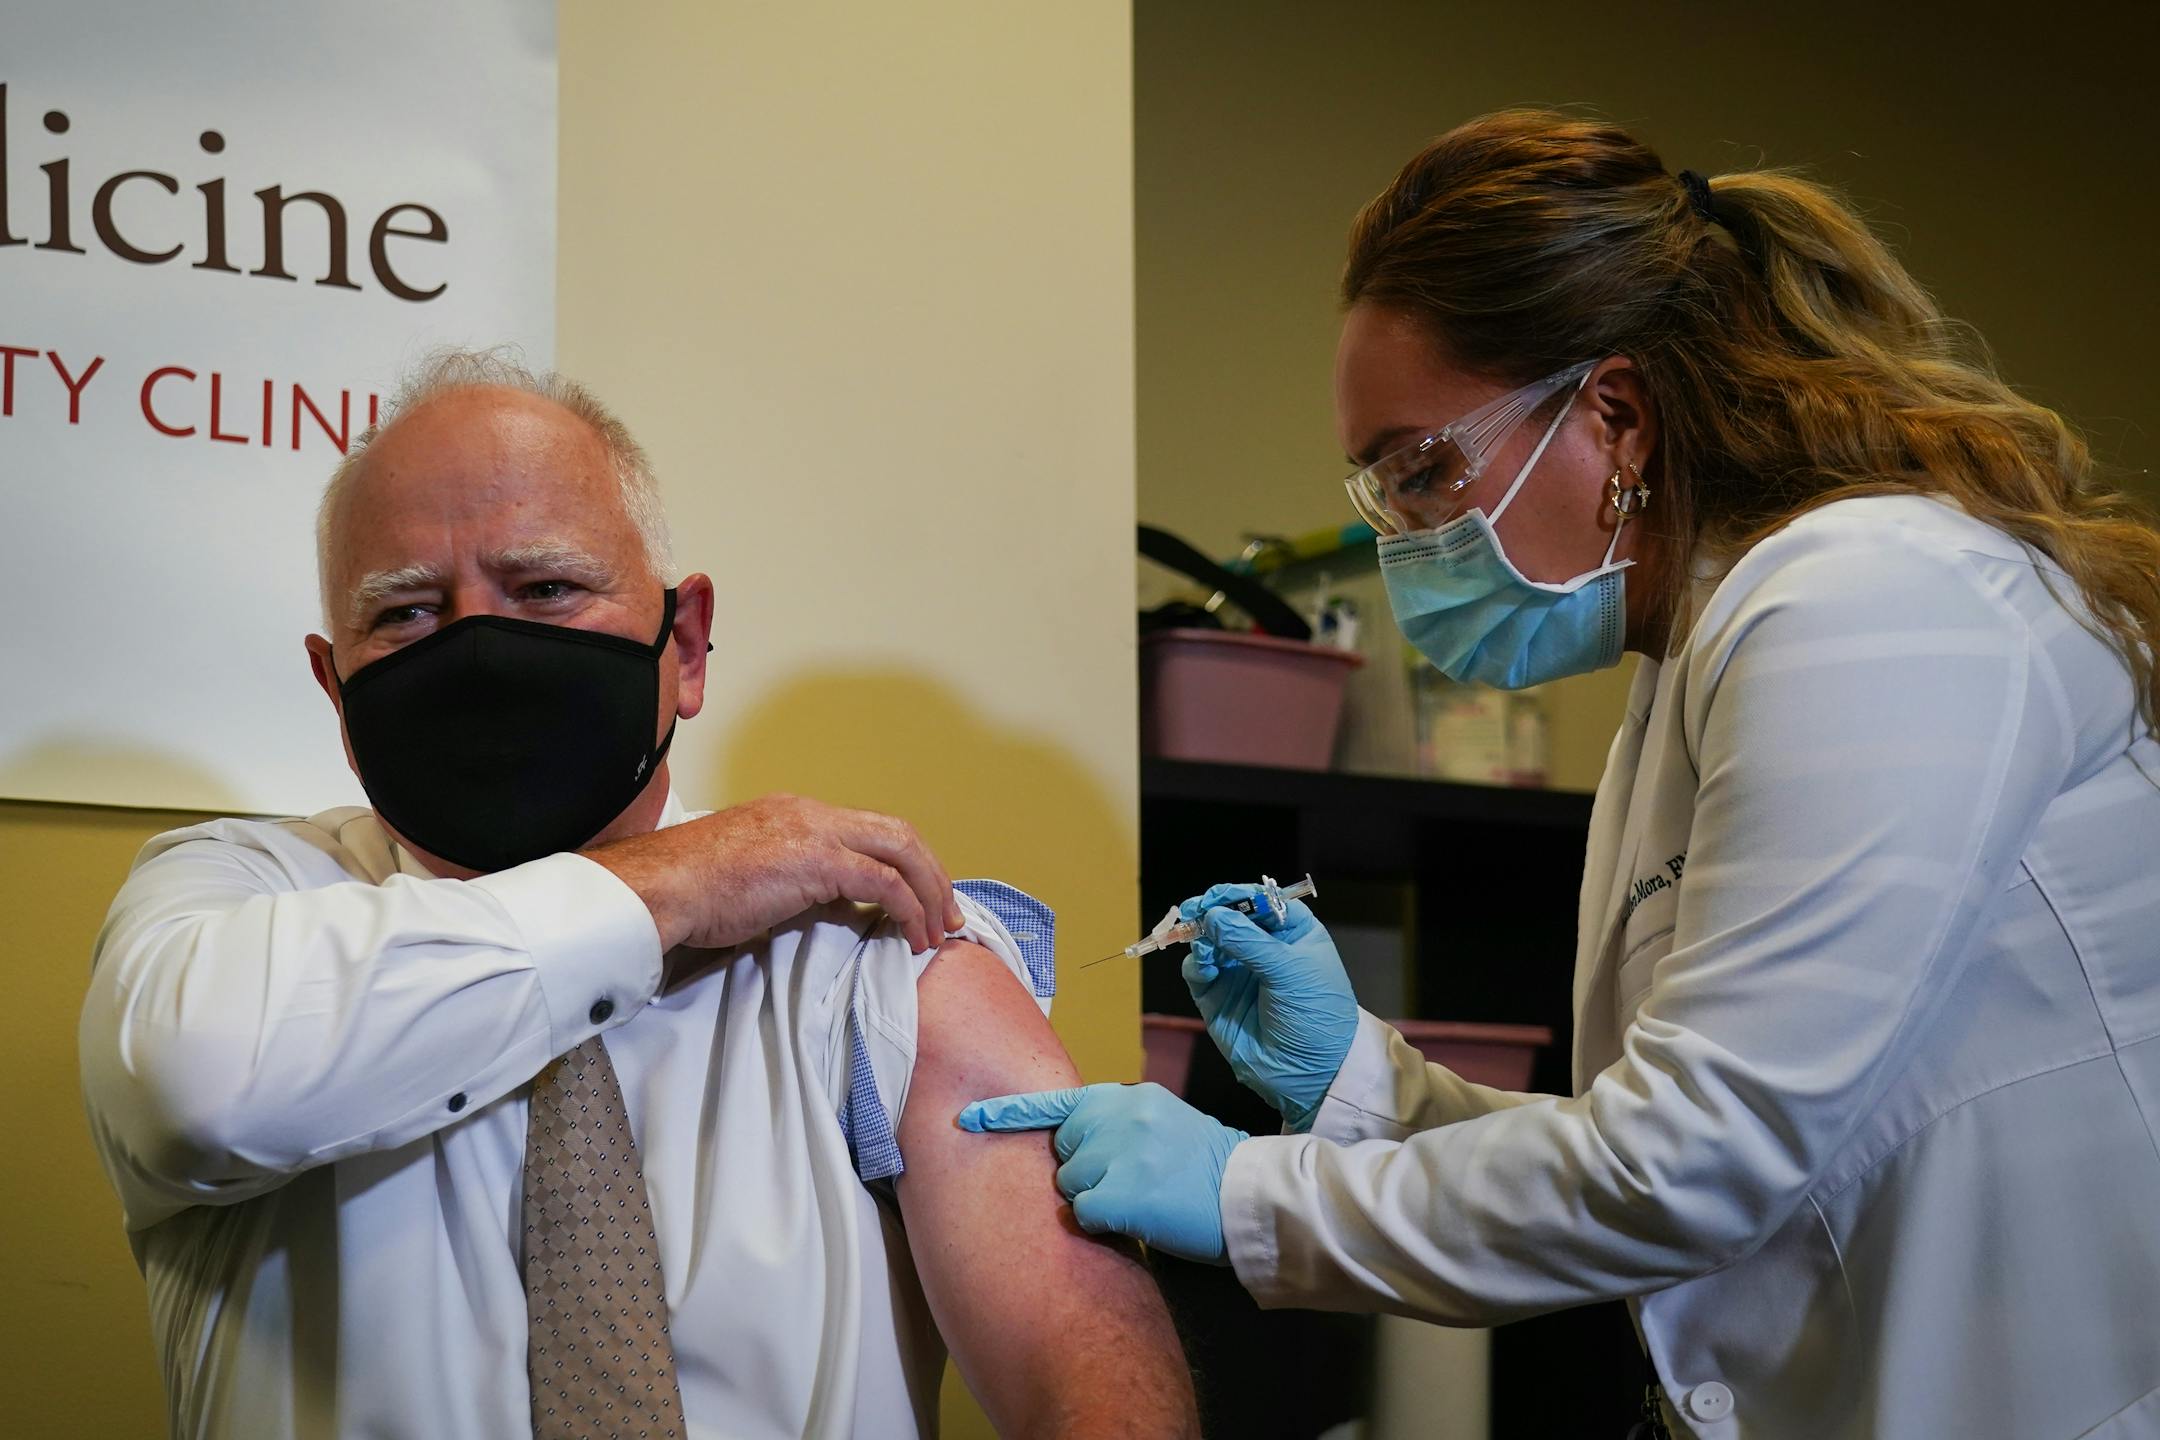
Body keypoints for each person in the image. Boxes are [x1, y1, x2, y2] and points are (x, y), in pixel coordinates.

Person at [964, 109, 2160, 1438]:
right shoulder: (1689, 667)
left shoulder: (1872, 601)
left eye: (1423, 470)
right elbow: (1644, 1142)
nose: (1408, 539)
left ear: (1620, 412)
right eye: (1382, 493)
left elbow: (1689, 1164)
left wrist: (1242, 1189)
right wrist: (1358, 1081)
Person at [78, 351, 1198, 1440]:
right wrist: (680, 878)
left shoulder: (865, 951)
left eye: (548, 588)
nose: (479, 650)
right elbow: (196, 1085)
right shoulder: (234, 899)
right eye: (407, 614)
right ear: (335, 686)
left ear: (689, 644)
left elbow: (1084, 1366)